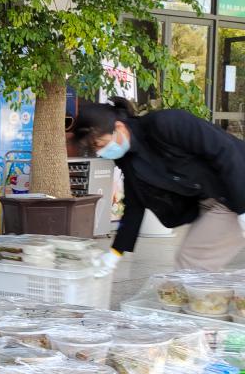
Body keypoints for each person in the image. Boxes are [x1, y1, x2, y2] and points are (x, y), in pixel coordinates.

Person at [72, 97, 245, 270]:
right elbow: (134, 207)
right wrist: (115, 254)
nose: (100, 152)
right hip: (211, 200)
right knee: (194, 264)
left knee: (193, 261)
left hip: (235, 187)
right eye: (94, 149)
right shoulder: (128, 160)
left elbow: (225, 151)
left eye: (99, 144)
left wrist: (243, 208)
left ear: (119, 127)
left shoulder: (166, 124)